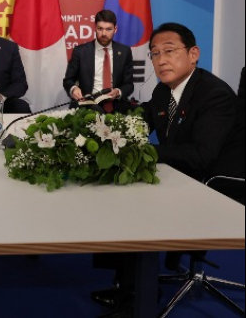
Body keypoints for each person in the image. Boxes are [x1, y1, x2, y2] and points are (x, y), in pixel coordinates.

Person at [92, 22, 246, 318]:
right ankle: (126, 283)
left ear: (193, 54)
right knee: (116, 187)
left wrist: (140, 151)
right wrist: (108, 120)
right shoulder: (166, 91)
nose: (161, 60)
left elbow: (201, 156)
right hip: (189, 173)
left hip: (219, 184)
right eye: (154, 54)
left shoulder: (214, 95)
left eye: (170, 51)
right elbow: (144, 117)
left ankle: (135, 300)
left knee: (133, 202)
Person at [63, 10, 134, 112]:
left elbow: (129, 84)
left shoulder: (124, 51)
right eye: (100, 29)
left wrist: (118, 92)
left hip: (115, 104)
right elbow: (68, 80)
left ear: (115, 29)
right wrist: (74, 88)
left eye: (108, 29)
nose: (104, 33)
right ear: (95, 28)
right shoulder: (80, 51)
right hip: (87, 103)